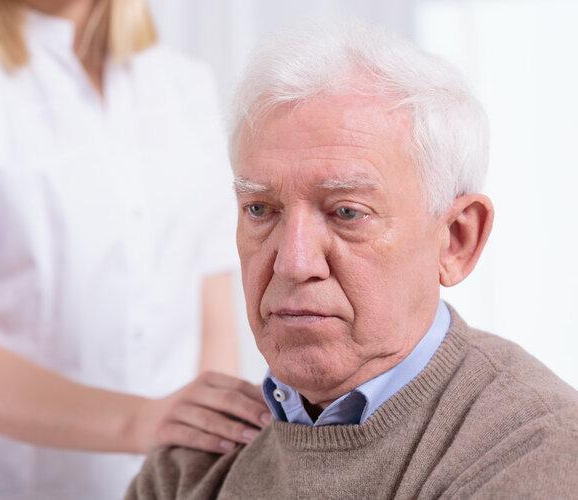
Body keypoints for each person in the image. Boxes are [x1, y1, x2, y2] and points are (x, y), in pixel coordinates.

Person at [127, 19, 578, 499]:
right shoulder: (193, 462)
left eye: (347, 212)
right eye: (260, 209)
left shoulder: (535, 451)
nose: (294, 263)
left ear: (455, 240)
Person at [0, 1, 271, 498]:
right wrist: (145, 420)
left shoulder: (185, 85)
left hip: (154, 483)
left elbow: (214, 324)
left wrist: (205, 454)